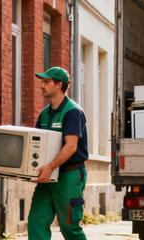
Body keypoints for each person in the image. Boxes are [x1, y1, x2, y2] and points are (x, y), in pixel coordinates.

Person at [27, 67, 89, 240]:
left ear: (59, 85)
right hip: (48, 176)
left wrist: (50, 167)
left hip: (69, 176)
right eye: (42, 81)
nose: (41, 85)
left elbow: (71, 147)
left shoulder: (72, 112)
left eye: (46, 82)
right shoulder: (44, 114)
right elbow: (36, 145)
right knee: (36, 221)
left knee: (69, 227)